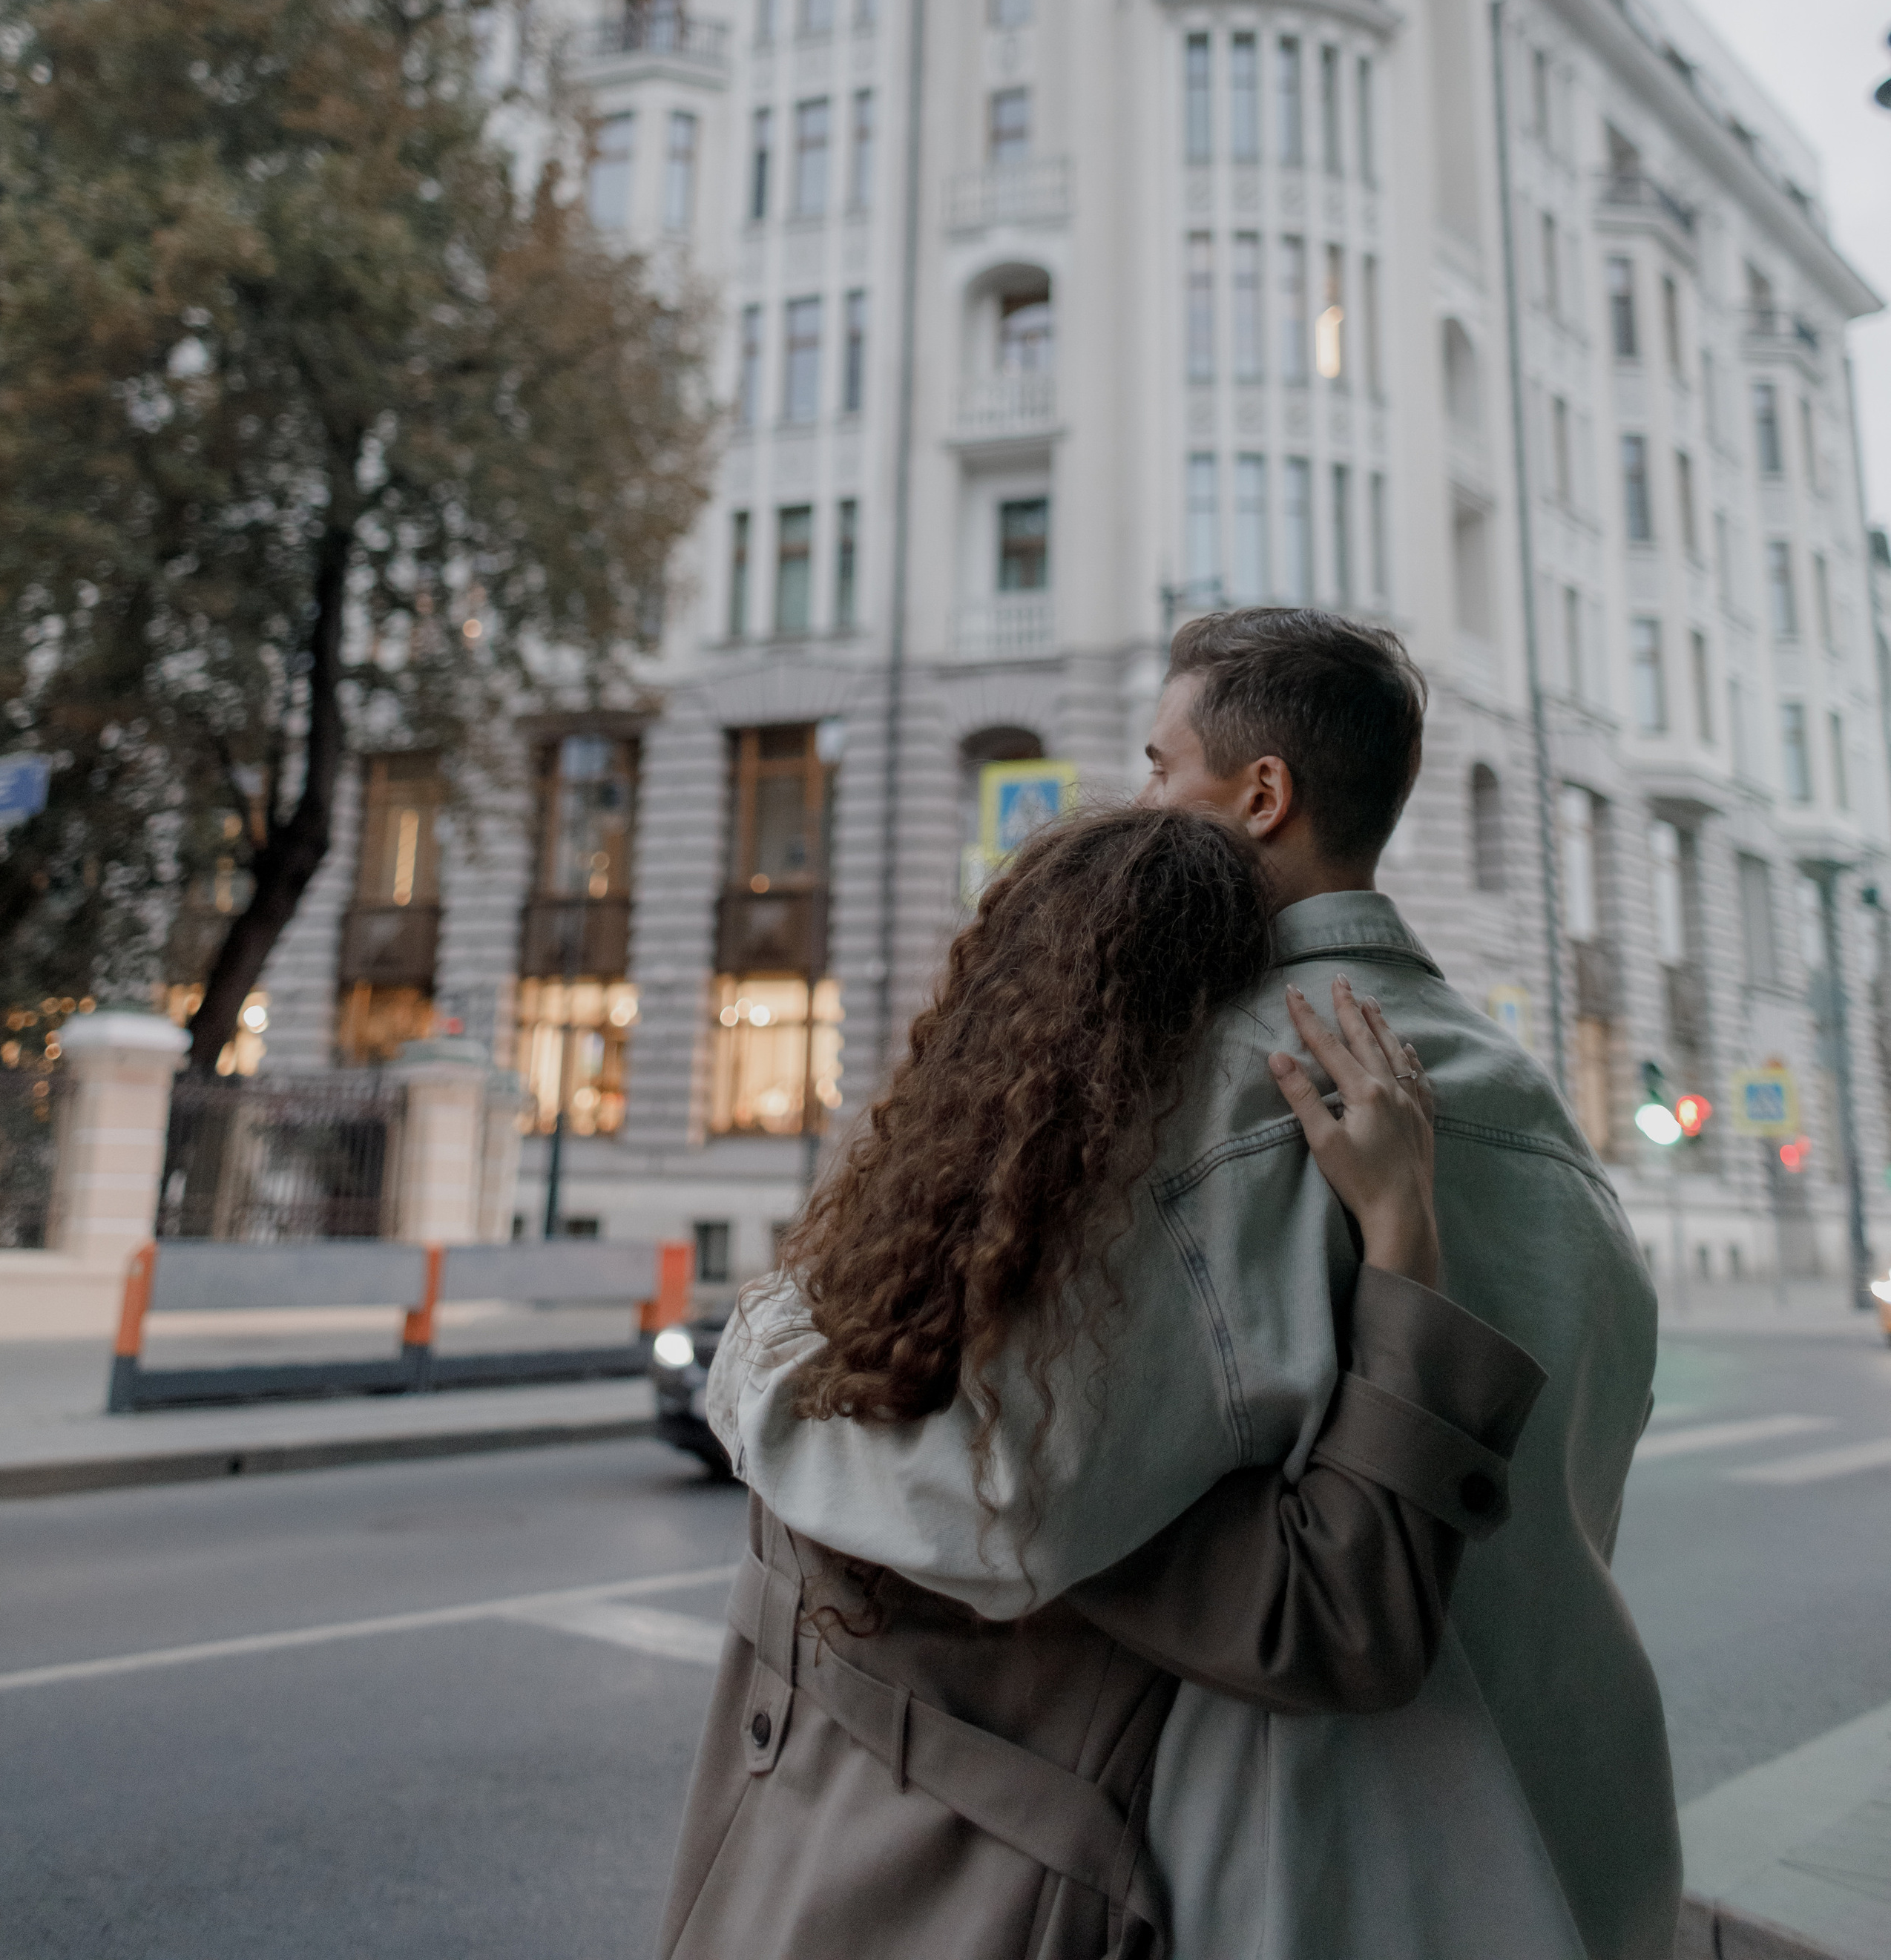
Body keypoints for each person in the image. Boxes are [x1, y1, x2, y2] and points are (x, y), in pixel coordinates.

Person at [714, 609, 1681, 1960]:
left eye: (1161, 765)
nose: (1145, 798)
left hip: (1333, 1880)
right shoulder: (1552, 1129)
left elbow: (994, 1502)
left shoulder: (1227, 1091)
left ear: (1262, 796)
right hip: (1592, 1856)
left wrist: (757, 1356)